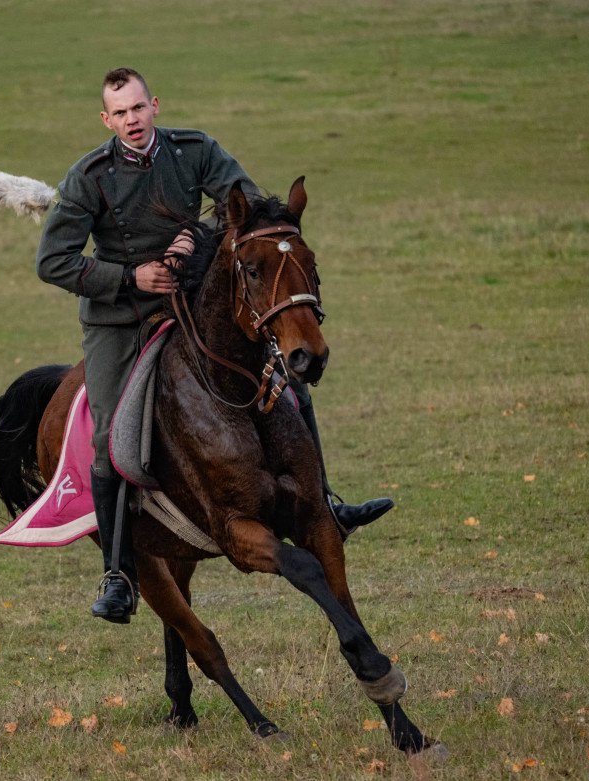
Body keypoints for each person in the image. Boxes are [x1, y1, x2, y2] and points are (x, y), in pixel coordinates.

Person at [36, 68, 393, 624]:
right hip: (120, 319)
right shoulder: (90, 176)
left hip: (195, 298)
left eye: (139, 108)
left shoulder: (194, 148)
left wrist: (196, 238)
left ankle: (324, 503)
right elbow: (52, 262)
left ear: (154, 105)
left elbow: (251, 210)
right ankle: (117, 573)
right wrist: (132, 277)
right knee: (108, 437)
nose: (132, 120)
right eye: (120, 113)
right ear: (106, 120)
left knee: (286, 385)